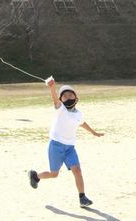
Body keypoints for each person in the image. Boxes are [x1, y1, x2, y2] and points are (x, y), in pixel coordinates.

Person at [28, 78, 104, 208]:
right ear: (61, 99)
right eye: (64, 96)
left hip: (70, 148)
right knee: (54, 174)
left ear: (76, 98)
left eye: (70, 95)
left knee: (77, 171)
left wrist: (93, 132)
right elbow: (55, 101)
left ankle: (82, 197)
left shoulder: (78, 114)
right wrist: (52, 88)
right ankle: (36, 176)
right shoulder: (60, 109)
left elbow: (82, 123)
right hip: (56, 146)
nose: (68, 97)